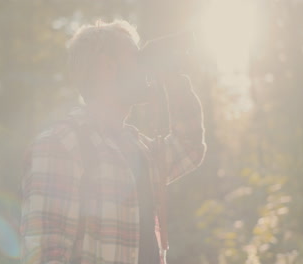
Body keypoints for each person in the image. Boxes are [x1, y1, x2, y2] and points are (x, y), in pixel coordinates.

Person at [20, 19, 206, 264]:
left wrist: (174, 78)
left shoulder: (139, 149)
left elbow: (189, 147)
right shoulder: (61, 145)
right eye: (135, 57)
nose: (144, 66)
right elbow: (46, 254)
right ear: (107, 67)